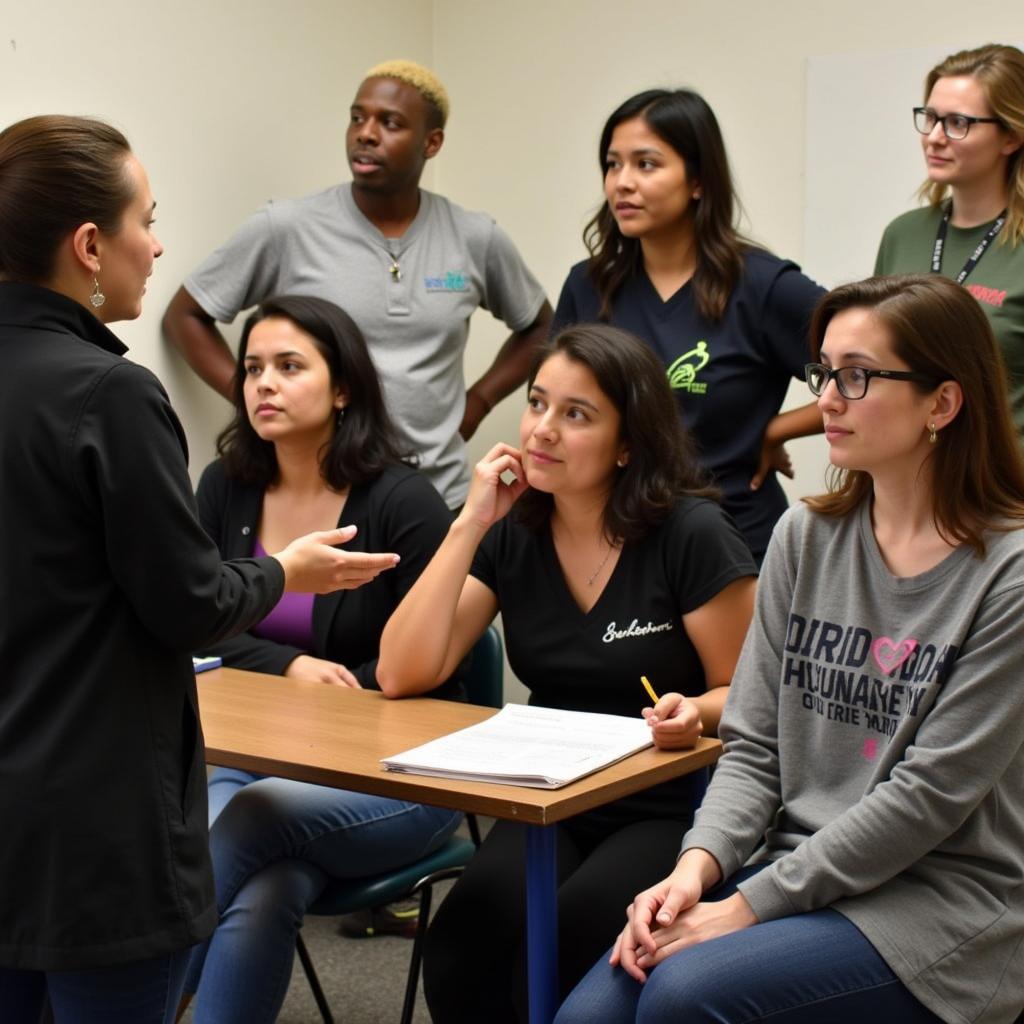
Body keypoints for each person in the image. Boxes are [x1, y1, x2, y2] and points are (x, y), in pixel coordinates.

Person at [0, 116, 400, 1024]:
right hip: (94, 820)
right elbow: (187, 604)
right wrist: (282, 575)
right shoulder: (109, 393)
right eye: (148, 218)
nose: (159, 244)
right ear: (90, 245)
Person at [555, 273, 1024, 1024]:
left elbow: (927, 799)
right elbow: (752, 747)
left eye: (858, 376)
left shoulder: (1010, 572)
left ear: (942, 402)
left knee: (682, 996)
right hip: (790, 867)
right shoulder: (805, 537)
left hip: (938, 903)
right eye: (824, 373)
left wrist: (741, 909)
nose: (826, 399)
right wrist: (695, 869)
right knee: (587, 1017)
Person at [377, 323, 758, 1021]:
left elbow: (754, 700)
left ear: (628, 445)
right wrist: (470, 522)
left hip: (672, 796)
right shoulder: (514, 530)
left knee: (579, 926)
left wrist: (694, 712)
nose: (542, 430)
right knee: (467, 934)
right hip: (552, 795)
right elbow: (402, 672)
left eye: (575, 414)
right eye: (537, 403)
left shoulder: (691, 536)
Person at [177, 294, 463, 1023]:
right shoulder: (226, 487)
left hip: (400, 777)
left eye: (288, 366)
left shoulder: (404, 501)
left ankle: (132, 1003)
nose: (262, 384)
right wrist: (288, 667)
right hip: (255, 761)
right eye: (252, 368)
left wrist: (331, 690)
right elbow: (194, 620)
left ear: (342, 389)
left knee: (241, 825)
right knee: (268, 885)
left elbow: (435, 666)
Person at [163, 58, 552, 510]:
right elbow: (184, 315)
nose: (366, 133)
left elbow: (540, 326)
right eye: (357, 118)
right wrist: (250, 394)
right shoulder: (287, 228)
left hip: (437, 495)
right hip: (321, 495)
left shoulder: (474, 237)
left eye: (390, 123)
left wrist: (479, 402)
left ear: (432, 142)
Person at [552, 88, 825, 563]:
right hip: (618, 539)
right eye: (613, 164)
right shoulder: (588, 284)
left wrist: (774, 429)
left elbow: (880, 377)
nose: (622, 183)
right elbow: (554, 405)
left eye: (647, 164)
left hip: (736, 541)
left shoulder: (764, 286)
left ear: (697, 180)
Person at [875, 44, 1024, 438]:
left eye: (958, 122)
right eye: (931, 118)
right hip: (910, 480)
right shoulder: (903, 234)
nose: (935, 137)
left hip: (1004, 490)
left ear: (1010, 136)